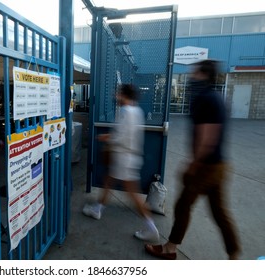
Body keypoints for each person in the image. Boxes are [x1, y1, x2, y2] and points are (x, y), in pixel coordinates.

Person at [145, 60, 241, 260]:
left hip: (206, 166)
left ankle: (170, 249)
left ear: (204, 74)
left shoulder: (206, 98)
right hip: (219, 165)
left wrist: (194, 164)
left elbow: (208, 137)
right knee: (219, 212)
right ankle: (234, 254)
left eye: (194, 72)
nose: (190, 76)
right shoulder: (216, 97)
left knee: (182, 206)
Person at [82, 84, 159, 242]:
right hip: (127, 157)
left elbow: (121, 137)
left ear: (124, 95)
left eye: (118, 94)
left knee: (133, 195)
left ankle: (152, 228)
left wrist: (105, 138)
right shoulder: (136, 110)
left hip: (124, 158)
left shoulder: (125, 111)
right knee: (108, 181)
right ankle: (98, 208)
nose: (116, 97)